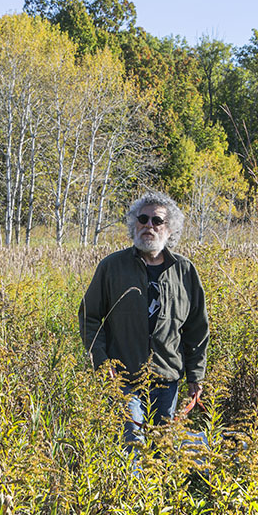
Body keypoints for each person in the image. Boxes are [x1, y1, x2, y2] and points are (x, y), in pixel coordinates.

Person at [79, 191, 209, 449]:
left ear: (169, 229)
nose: (149, 225)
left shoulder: (185, 270)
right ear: (134, 224)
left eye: (157, 221)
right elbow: (89, 316)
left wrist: (196, 375)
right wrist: (103, 363)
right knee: (132, 440)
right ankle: (133, 489)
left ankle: (162, 489)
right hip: (125, 377)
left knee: (163, 445)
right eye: (143, 219)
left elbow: (197, 328)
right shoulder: (112, 267)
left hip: (168, 377)